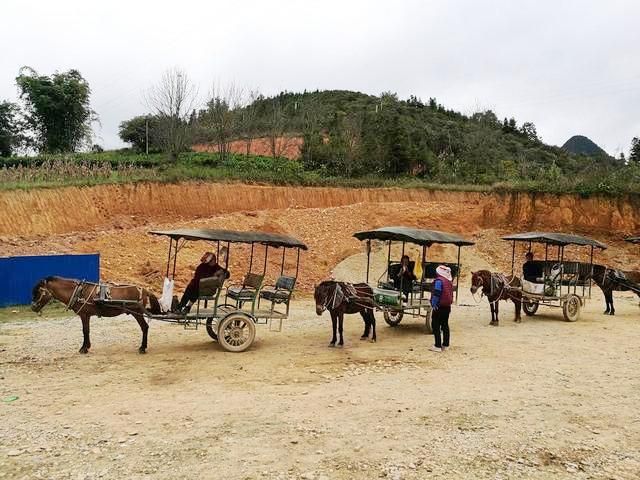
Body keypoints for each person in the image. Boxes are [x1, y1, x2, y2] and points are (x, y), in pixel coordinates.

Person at [430, 265, 454, 353]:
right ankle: (446, 345)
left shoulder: (439, 281)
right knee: (445, 325)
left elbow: (437, 293)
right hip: (447, 307)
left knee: (435, 325)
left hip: (439, 307)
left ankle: (437, 345)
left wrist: (433, 303)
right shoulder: (449, 281)